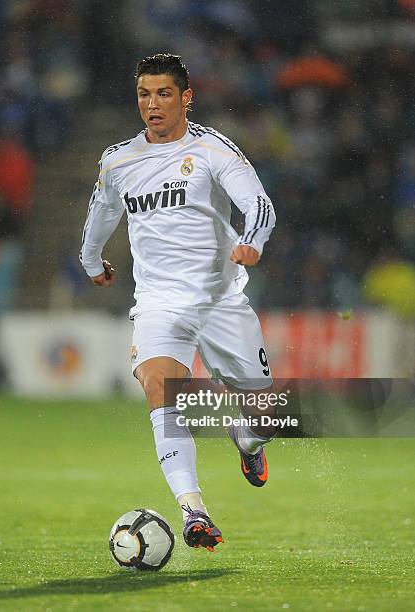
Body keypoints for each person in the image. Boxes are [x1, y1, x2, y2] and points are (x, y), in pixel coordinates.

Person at [80, 54, 276, 552]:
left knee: (265, 416)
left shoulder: (211, 149)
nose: (153, 104)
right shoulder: (119, 160)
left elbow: (258, 202)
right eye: (144, 94)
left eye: (163, 93)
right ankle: (194, 511)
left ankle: (245, 437)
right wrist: (91, 261)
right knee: (160, 389)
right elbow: (101, 214)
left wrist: (252, 240)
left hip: (219, 298)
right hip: (159, 303)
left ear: (185, 97)